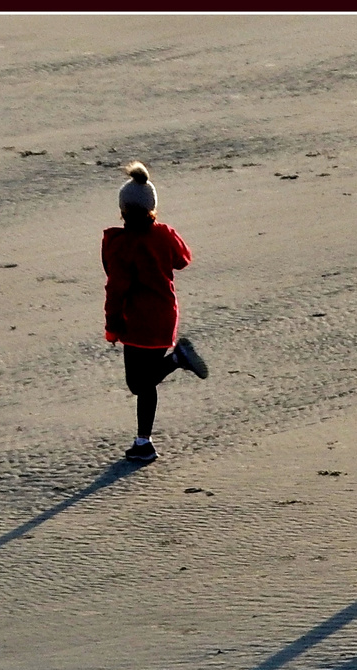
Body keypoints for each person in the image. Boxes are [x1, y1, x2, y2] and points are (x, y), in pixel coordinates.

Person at [102, 161, 208, 463]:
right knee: (145, 382)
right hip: (164, 316)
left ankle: (176, 360)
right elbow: (183, 259)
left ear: (122, 210)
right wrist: (166, 234)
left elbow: (115, 289)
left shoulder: (121, 245)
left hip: (136, 322)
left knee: (139, 383)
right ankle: (143, 441)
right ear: (153, 209)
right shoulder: (163, 234)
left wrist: (112, 326)